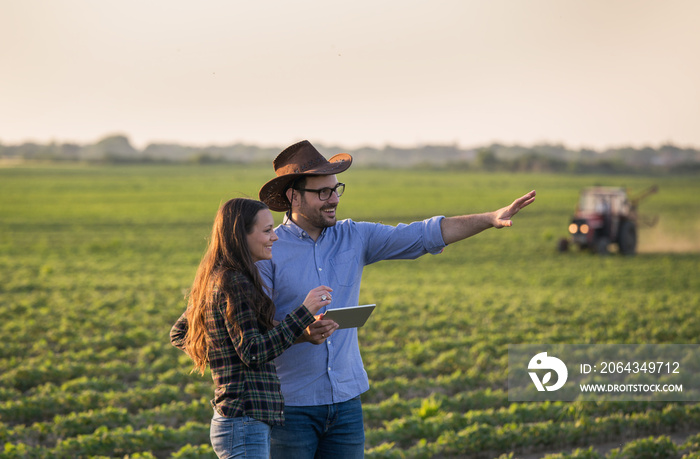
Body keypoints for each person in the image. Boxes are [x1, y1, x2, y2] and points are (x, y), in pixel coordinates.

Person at [256, 140, 536, 458]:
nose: (334, 199)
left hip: (347, 402)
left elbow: (421, 234)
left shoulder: (355, 236)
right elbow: (257, 329)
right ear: (294, 196)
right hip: (290, 407)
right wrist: (301, 333)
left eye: (337, 189)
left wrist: (488, 218)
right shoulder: (268, 249)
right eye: (323, 192)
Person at [170, 197, 334, 459]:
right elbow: (253, 352)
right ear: (240, 235)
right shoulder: (236, 282)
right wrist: (304, 312)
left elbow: (179, 333)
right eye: (267, 231)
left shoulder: (217, 276)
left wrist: (225, 353)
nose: (275, 237)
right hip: (243, 421)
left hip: (236, 420)